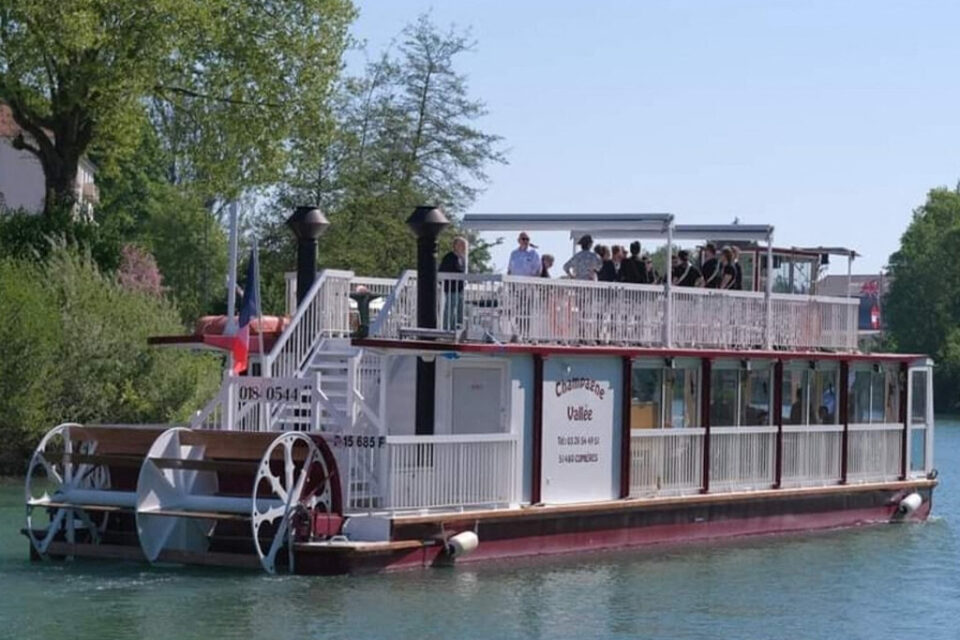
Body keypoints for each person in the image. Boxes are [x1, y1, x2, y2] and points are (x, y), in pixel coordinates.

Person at [439, 236, 467, 329]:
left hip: (460, 289)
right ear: (455, 246)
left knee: (460, 311)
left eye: (464, 245)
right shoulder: (449, 257)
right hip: (451, 289)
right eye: (461, 245)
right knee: (450, 310)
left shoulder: (463, 259)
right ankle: (447, 330)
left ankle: (458, 330)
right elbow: (441, 272)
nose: (463, 247)